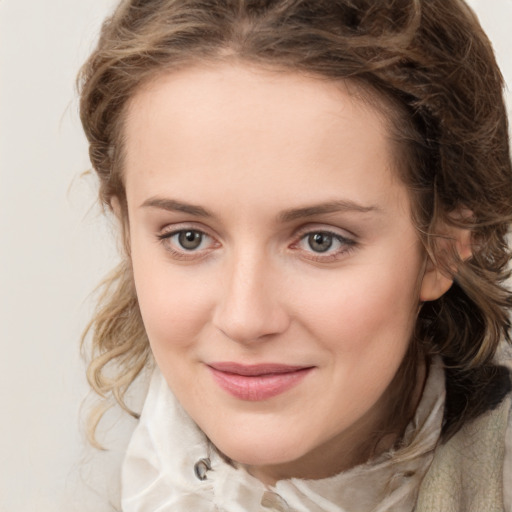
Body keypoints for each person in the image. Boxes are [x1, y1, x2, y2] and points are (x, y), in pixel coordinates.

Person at [78, 1, 512, 510]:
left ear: (445, 246)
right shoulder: (113, 463)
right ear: (126, 229)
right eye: (188, 237)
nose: (245, 319)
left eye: (320, 241)